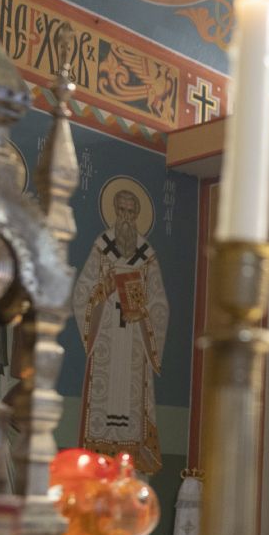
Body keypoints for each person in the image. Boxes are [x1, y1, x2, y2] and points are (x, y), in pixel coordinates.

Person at [72, 186, 170, 475]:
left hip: (135, 336)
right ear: (114, 212)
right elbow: (82, 292)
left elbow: (160, 303)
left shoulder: (146, 254)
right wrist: (103, 290)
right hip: (107, 332)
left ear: (137, 215)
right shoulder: (102, 245)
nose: (126, 217)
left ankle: (132, 459)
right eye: (122, 211)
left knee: (131, 395)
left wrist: (143, 311)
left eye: (131, 212)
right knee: (104, 391)